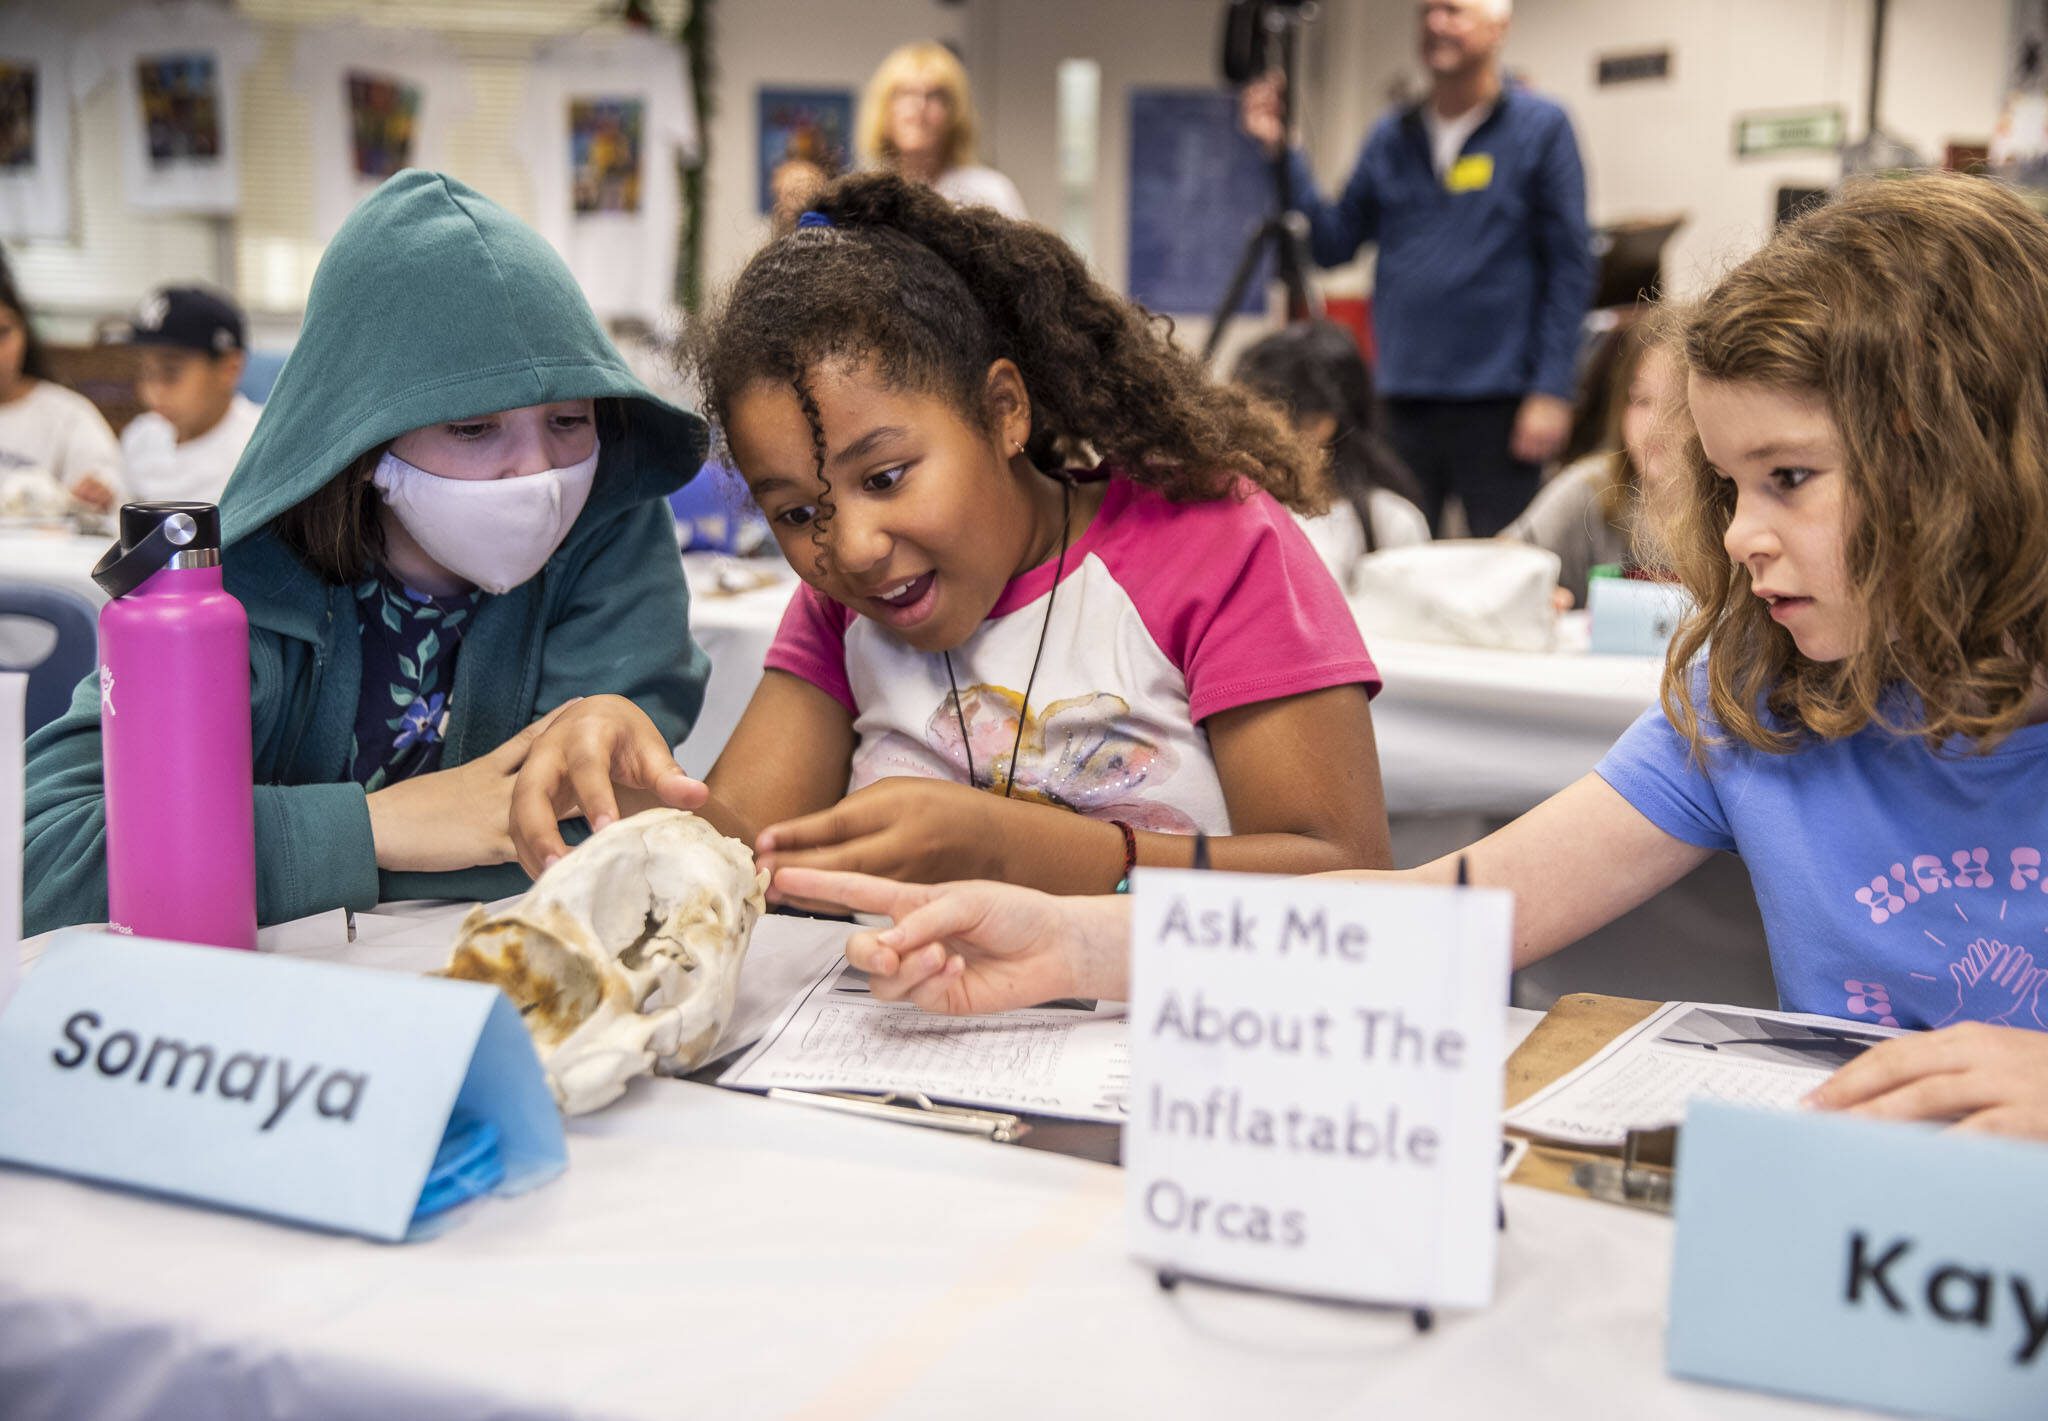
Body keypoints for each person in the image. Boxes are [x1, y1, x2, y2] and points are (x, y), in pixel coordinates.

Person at [772, 174, 2048, 1144]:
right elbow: (1444, 911)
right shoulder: (1754, 697)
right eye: (1727, 486)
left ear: (1954, 457)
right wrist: (1075, 944)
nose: (1741, 539)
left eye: (1787, 479)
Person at [509, 172, 1389, 895]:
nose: (851, 548)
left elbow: (1350, 876)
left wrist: (1025, 850)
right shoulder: (840, 611)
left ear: (1003, 411)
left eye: (886, 477)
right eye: (798, 513)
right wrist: (631, 786)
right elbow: (744, 853)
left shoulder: (1210, 542)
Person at [23, 170, 710, 932]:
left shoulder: (611, 525)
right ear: (363, 438)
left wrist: (230, 847)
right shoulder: (227, 597)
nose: (539, 473)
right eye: (473, 428)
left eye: (570, 419)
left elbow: (604, 833)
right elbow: (44, 858)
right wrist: (381, 826)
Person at [1241, 0, 1594, 536]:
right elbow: (1333, 243)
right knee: (1398, 559)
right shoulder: (1392, 135)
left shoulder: (1541, 127)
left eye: (1453, 10)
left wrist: (1552, 390)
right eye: (1426, 11)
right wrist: (1284, 152)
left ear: (1499, 26)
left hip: (1501, 400)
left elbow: (1570, 266)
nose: (1435, 23)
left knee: (1501, 565)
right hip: (1403, 396)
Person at [1232, 320, 1430, 584]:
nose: (1242, 438)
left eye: (1259, 424)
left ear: (1319, 424)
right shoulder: (1235, 512)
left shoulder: (1390, 521)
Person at [1504, 321, 1680, 607]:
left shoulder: (1734, 504)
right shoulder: (1592, 485)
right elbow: (1503, 559)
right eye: (1640, 400)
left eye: (1677, 405)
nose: (1655, 425)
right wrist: (1527, 590)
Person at [117, 284, 262, 505]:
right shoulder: (140, 437)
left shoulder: (260, 447)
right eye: (145, 372)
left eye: (170, 373)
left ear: (229, 368)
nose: (153, 392)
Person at [0, 253, 120, 514]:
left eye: (2, 333)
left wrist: (95, 496)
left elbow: (107, 493)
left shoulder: (69, 415)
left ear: (25, 333)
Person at [858, 41, 1025, 219]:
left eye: (934, 95)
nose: (919, 106)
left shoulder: (990, 193)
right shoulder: (865, 197)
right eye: (906, 93)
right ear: (884, 108)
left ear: (956, 112)